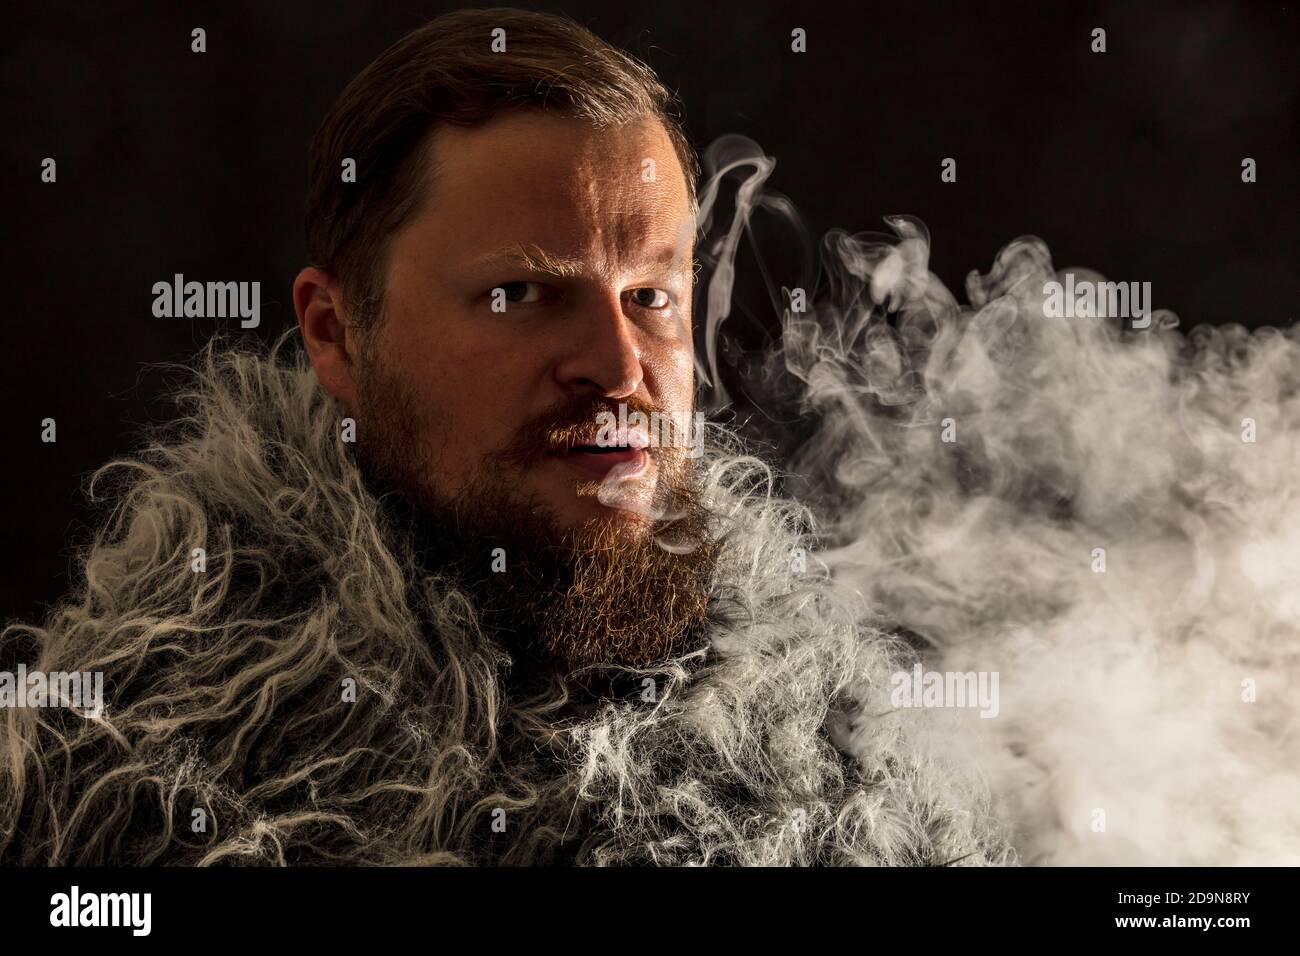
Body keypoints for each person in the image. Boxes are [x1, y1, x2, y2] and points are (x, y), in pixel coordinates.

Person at [0, 7, 1009, 866]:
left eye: (649, 295)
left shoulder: (845, 783)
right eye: (519, 292)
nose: (617, 367)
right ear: (336, 334)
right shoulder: (134, 788)